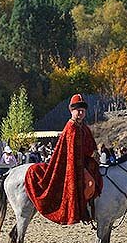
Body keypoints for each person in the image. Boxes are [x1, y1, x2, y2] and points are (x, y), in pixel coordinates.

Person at [23, 93, 102, 224]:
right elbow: (72, 152)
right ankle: (82, 210)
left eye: (83, 110)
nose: (81, 113)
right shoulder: (71, 127)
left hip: (84, 163)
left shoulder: (83, 127)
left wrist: (94, 154)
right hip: (71, 166)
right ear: (72, 111)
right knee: (89, 184)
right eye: (78, 110)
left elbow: (89, 145)